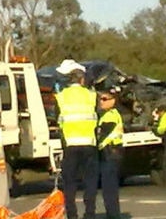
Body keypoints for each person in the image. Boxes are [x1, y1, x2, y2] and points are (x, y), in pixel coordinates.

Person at [54, 59, 99, 219]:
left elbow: (58, 120)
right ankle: (90, 214)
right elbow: (96, 118)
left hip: (71, 145)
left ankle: (72, 215)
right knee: (90, 183)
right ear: (82, 79)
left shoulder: (61, 96)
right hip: (89, 145)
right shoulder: (92, 96)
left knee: (70, 183)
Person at [96, 89, 124, 219]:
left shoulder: (111, 116)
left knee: (109, 188)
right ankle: (113, 214)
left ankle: (113, 215)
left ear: (113, 100)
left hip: (110, 153)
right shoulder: (108, 114)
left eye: (104, 99)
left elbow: (102, 138)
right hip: (111, 152)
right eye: (100, 99)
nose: (101, 101)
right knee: (109, 187)